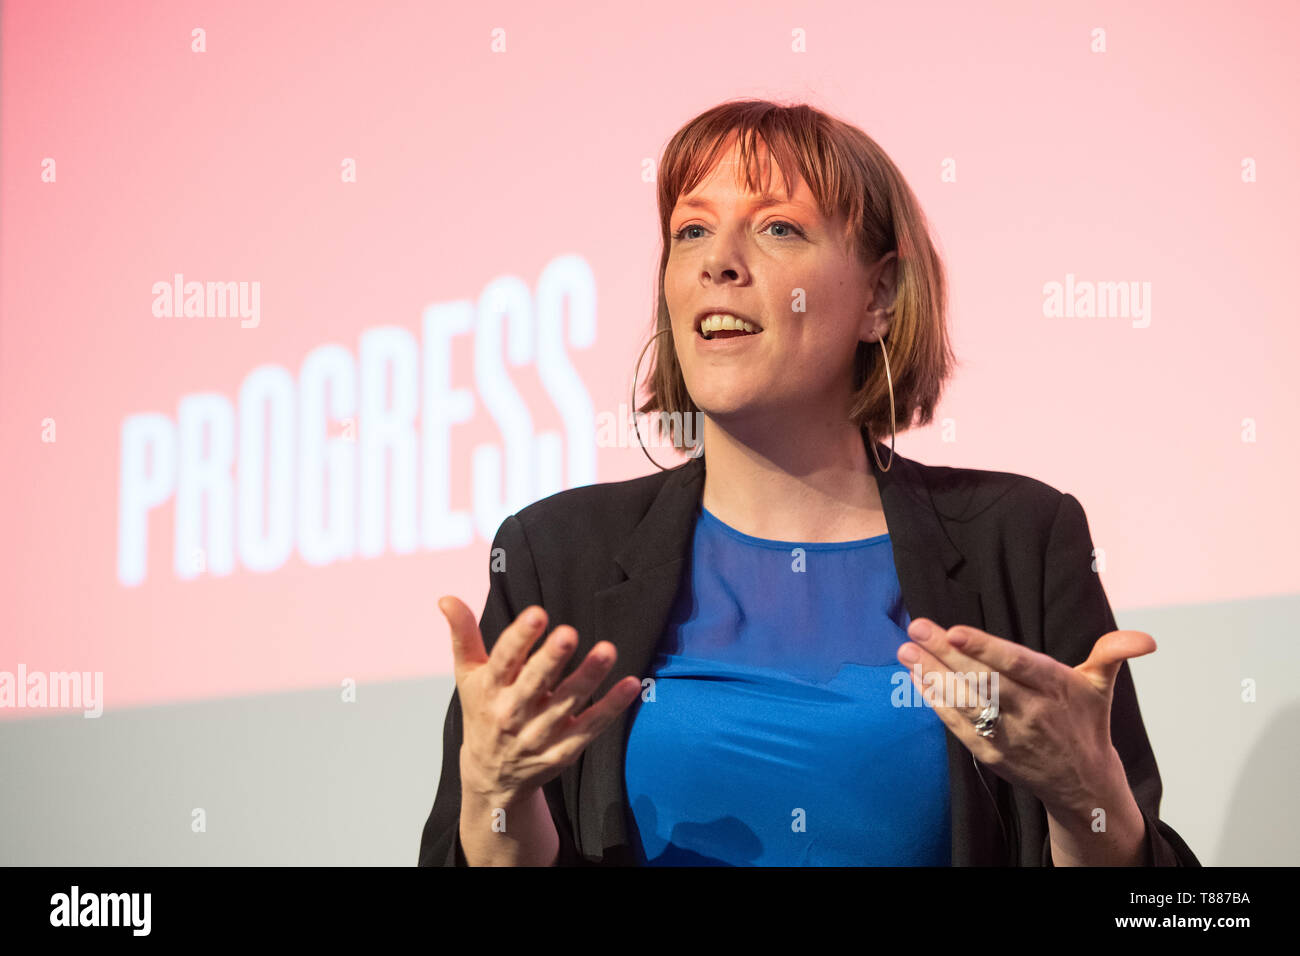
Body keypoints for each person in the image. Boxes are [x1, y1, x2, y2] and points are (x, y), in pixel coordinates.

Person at [418, 99, 1200, 867]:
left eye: (777, 228)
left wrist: (1088, 801)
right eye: (690, 230)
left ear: (880, 296)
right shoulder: (558, 556)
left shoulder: (1019, 538)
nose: (716, 260)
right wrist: (496, 797)